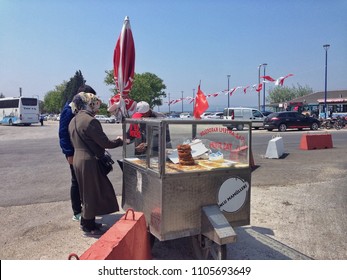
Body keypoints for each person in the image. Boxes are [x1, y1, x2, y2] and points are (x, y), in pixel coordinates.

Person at [68, 92, 123, 236]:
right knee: (91, 193)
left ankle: (87, 222)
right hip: (89, 161)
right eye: (94, 103)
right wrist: (120, 140)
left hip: (78, 159)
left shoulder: (73, 120)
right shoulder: (90, 121)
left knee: (85, 192)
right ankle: (88, 226)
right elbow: (105, 143)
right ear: (89, 104)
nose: (96, 107)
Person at [59, 85, 96, 222]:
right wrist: (69, 153)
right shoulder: (69, 110)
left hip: (83, 150)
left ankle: (86, 209)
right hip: (74, 152)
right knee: (76, 181)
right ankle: (77, 212)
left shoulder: (82, 109)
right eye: (89, 97)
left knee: (84, 181)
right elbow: (63, 133)